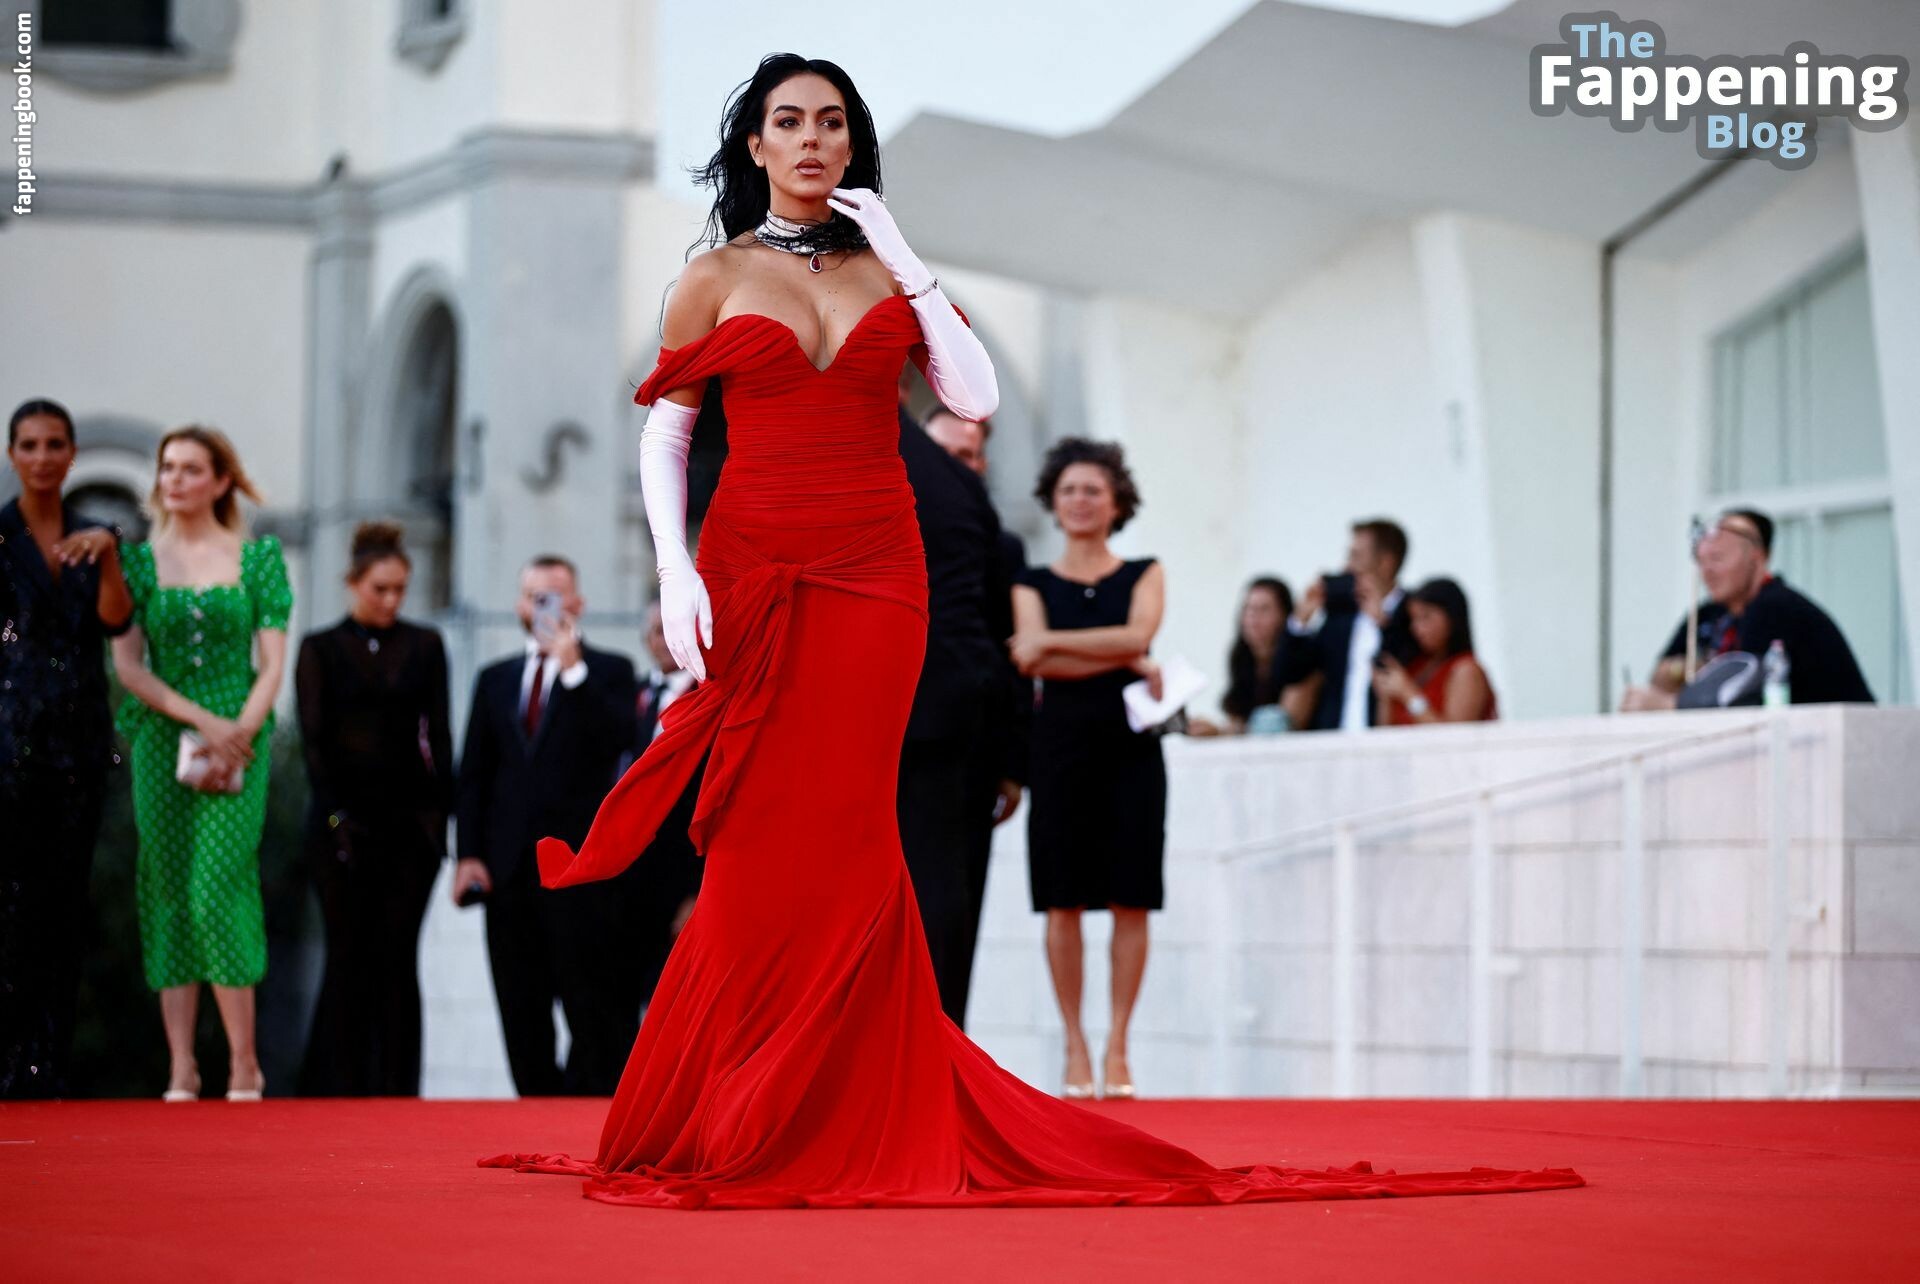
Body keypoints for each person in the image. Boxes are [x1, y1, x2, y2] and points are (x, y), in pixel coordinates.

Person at [482, 52, 1578, 1208]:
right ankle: (739, 1092)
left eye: (831, 122)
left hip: (877, 578)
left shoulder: (887, 272)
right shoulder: (711, 276)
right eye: (788, 121)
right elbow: (668, 434)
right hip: (752, 570)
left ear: (852, 143)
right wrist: (674, 570)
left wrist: (904, 257)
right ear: (755, 144)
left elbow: (972, 396)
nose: (810, 139)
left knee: (854, 828)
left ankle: (848, 1098)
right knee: (756, 834)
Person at [110, 426, 293, 1103]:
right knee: (166, 886)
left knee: (217, 885)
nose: (175, 480)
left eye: (191, 469)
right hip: (164, 740)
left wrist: (239, 727)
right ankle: (182, 1065)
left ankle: (244, 1063)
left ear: (221, 480)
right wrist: (201, 721)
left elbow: (271, 662)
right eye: (167, 468)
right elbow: (130, 667)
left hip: (240, 736)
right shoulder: (136, 564)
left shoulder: (258, 558)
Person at [1011, 438, 1167, 1101]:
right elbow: (1028, 661)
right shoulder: (1030, 583)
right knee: (1062, 898)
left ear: (1117, 502)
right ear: (1053, 500)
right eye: (1069, 489)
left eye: (1093, 490)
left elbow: (1137, 635)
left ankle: (1119, 1044)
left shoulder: (1146, 572)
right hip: (1058, 749)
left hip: (1131, 749)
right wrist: (1119, 655)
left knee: (1132, 896)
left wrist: (1052, 642)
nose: (1080, 500)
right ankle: (1075, 1043)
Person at [453, 555, 641, 1096]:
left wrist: (573, 672)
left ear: (577, 603)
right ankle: (533, 1109)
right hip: (509, 871)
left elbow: (620, 741)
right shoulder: (495, 679)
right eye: (535, 596)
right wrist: (468, 854)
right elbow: (475, 774)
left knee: (590, 1004)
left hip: (580, 870)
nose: (545, 607)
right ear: (519, 605)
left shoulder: (609, 671)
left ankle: (585, 1111)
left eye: (555, 595)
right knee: (520, 1006)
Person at [0, 399, 133, 1098]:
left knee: (64, 904)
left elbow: (116, 622)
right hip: (11, 740)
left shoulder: (94, 536)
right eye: (29, 445)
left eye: (55, 444)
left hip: (80, 744)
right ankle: (10, 1062)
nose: (43, 457)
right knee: (11, 904)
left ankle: (48, 1066)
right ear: (13, 454)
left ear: (73, 453)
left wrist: (109, 555)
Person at [294, 521, 454, 1096]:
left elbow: (440, 736)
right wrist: (337, 819)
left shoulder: (426, 646)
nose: (390, 600)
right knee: (347, 955)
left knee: (397, 957)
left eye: (399, 589)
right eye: (379, 589)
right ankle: (335, 1091)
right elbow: (313, 743)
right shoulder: (319, 649)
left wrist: (439, 823)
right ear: (353, 583)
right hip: (339, 826)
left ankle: (396, 1092)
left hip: (409, 829)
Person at [897, 397, 1025, 1027]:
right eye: (950, 454)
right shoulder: (914, 502)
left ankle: (941, 1034)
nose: (961, 467)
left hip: (959, 740)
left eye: (972, 457)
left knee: (950, 893)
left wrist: (1010, 762)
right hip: (912, 720)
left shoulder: (998, 538)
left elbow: (1006, 648)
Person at [1621, 509, 1873, 710]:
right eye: (1702, 561)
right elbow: (1659, 677)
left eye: (1718, 558)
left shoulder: (1775, 607)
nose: (1707, 571)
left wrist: (1671, 704)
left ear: (1757, 558)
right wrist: (1688, 670)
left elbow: (1743, 696)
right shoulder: (1709, 614)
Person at [624, 599, 703, 1012]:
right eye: (658, 631)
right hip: (635, 880)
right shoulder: (632, 695)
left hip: (688, 873)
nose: (666, 640)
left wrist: (699, 889)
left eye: (674, 628)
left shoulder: (711, 696)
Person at [1281, 519, 1416, 730]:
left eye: (1356, 556)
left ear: (1385, 563)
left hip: (1390, 739)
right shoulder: (1341, 615)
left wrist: (1383, 624)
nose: (1347, 566)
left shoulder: (1414, 612)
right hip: (1335, 740)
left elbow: (1407, 667)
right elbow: (1291, 673)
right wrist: (1300, 623)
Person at [1188, 576, 1311, 735]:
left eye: (1264, 609)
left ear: (1284, 615)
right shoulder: (1241, 660)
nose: (1253, 617)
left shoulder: (1302, 658)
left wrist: (1222, 732)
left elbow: (1285, 724)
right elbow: (1237, 719)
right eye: (1248, 609)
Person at [1374, 577, 1498, 725]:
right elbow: (1386, 730)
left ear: (1451, 617)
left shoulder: (1466, 670)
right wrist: (1385, 697)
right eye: (1414, 619)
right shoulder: (1415, 667)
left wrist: (1409, 695)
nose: (1417, 628)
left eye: (1426, 617)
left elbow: (1455, 734)